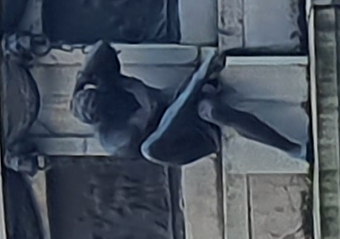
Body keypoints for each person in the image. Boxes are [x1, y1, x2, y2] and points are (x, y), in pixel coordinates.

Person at [71, 42, 308, 166]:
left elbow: (102, 47)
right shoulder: (117, 139)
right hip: (184, 135)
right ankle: (293, 149)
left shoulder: (110, 83)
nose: (108, 99)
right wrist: (199, 78)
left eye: (99, 94)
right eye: (103, 105)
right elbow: (165, 128)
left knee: (206, 101)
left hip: (181, 94)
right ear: (105, 117)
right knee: (212, 111)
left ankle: (291, 147)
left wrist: (81, 80)